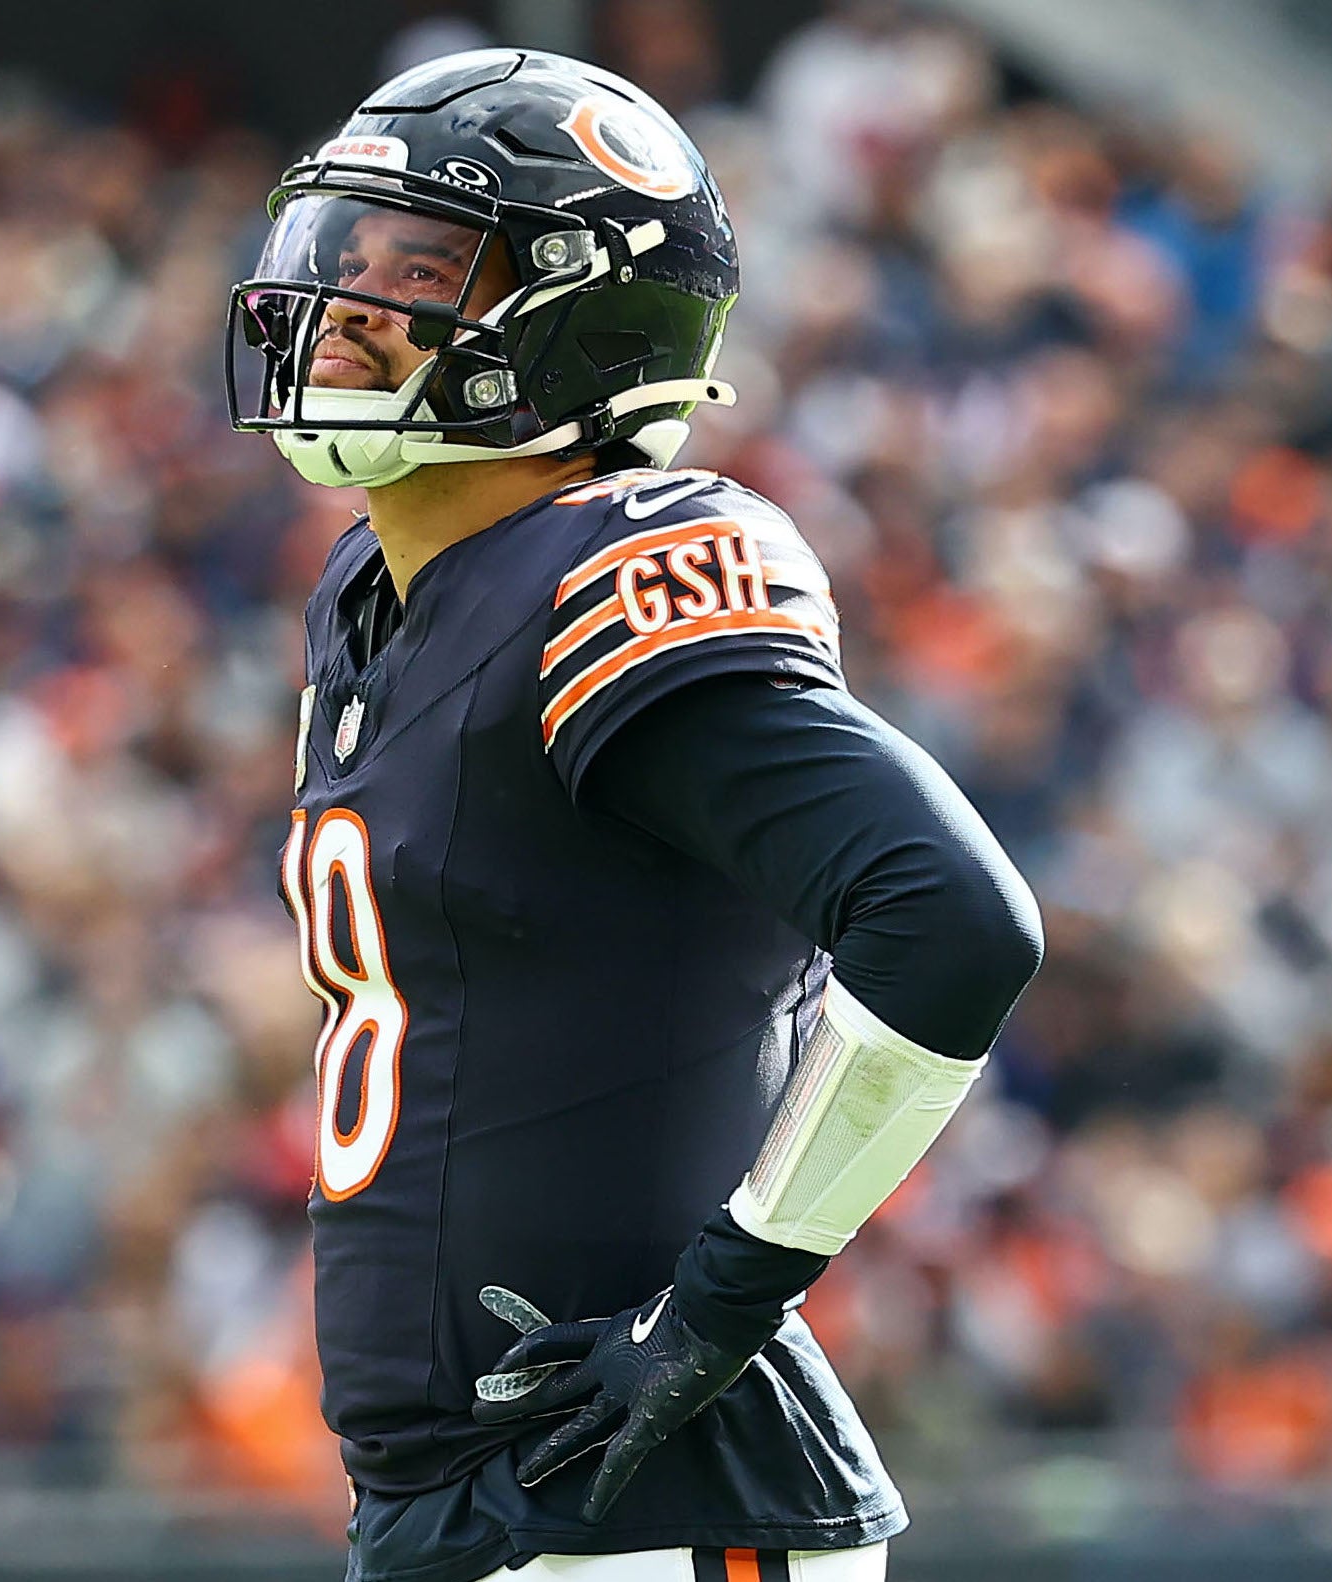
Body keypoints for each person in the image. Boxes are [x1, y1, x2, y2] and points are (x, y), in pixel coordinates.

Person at [226, 49, 1043, 1582]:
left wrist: (718, 1306)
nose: (339, 306)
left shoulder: (607, 570)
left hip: (646, 1503)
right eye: (336, 259)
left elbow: (949, 916)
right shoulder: (372, 593)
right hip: (463, 1497)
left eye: (413, 270)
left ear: (574, 321)